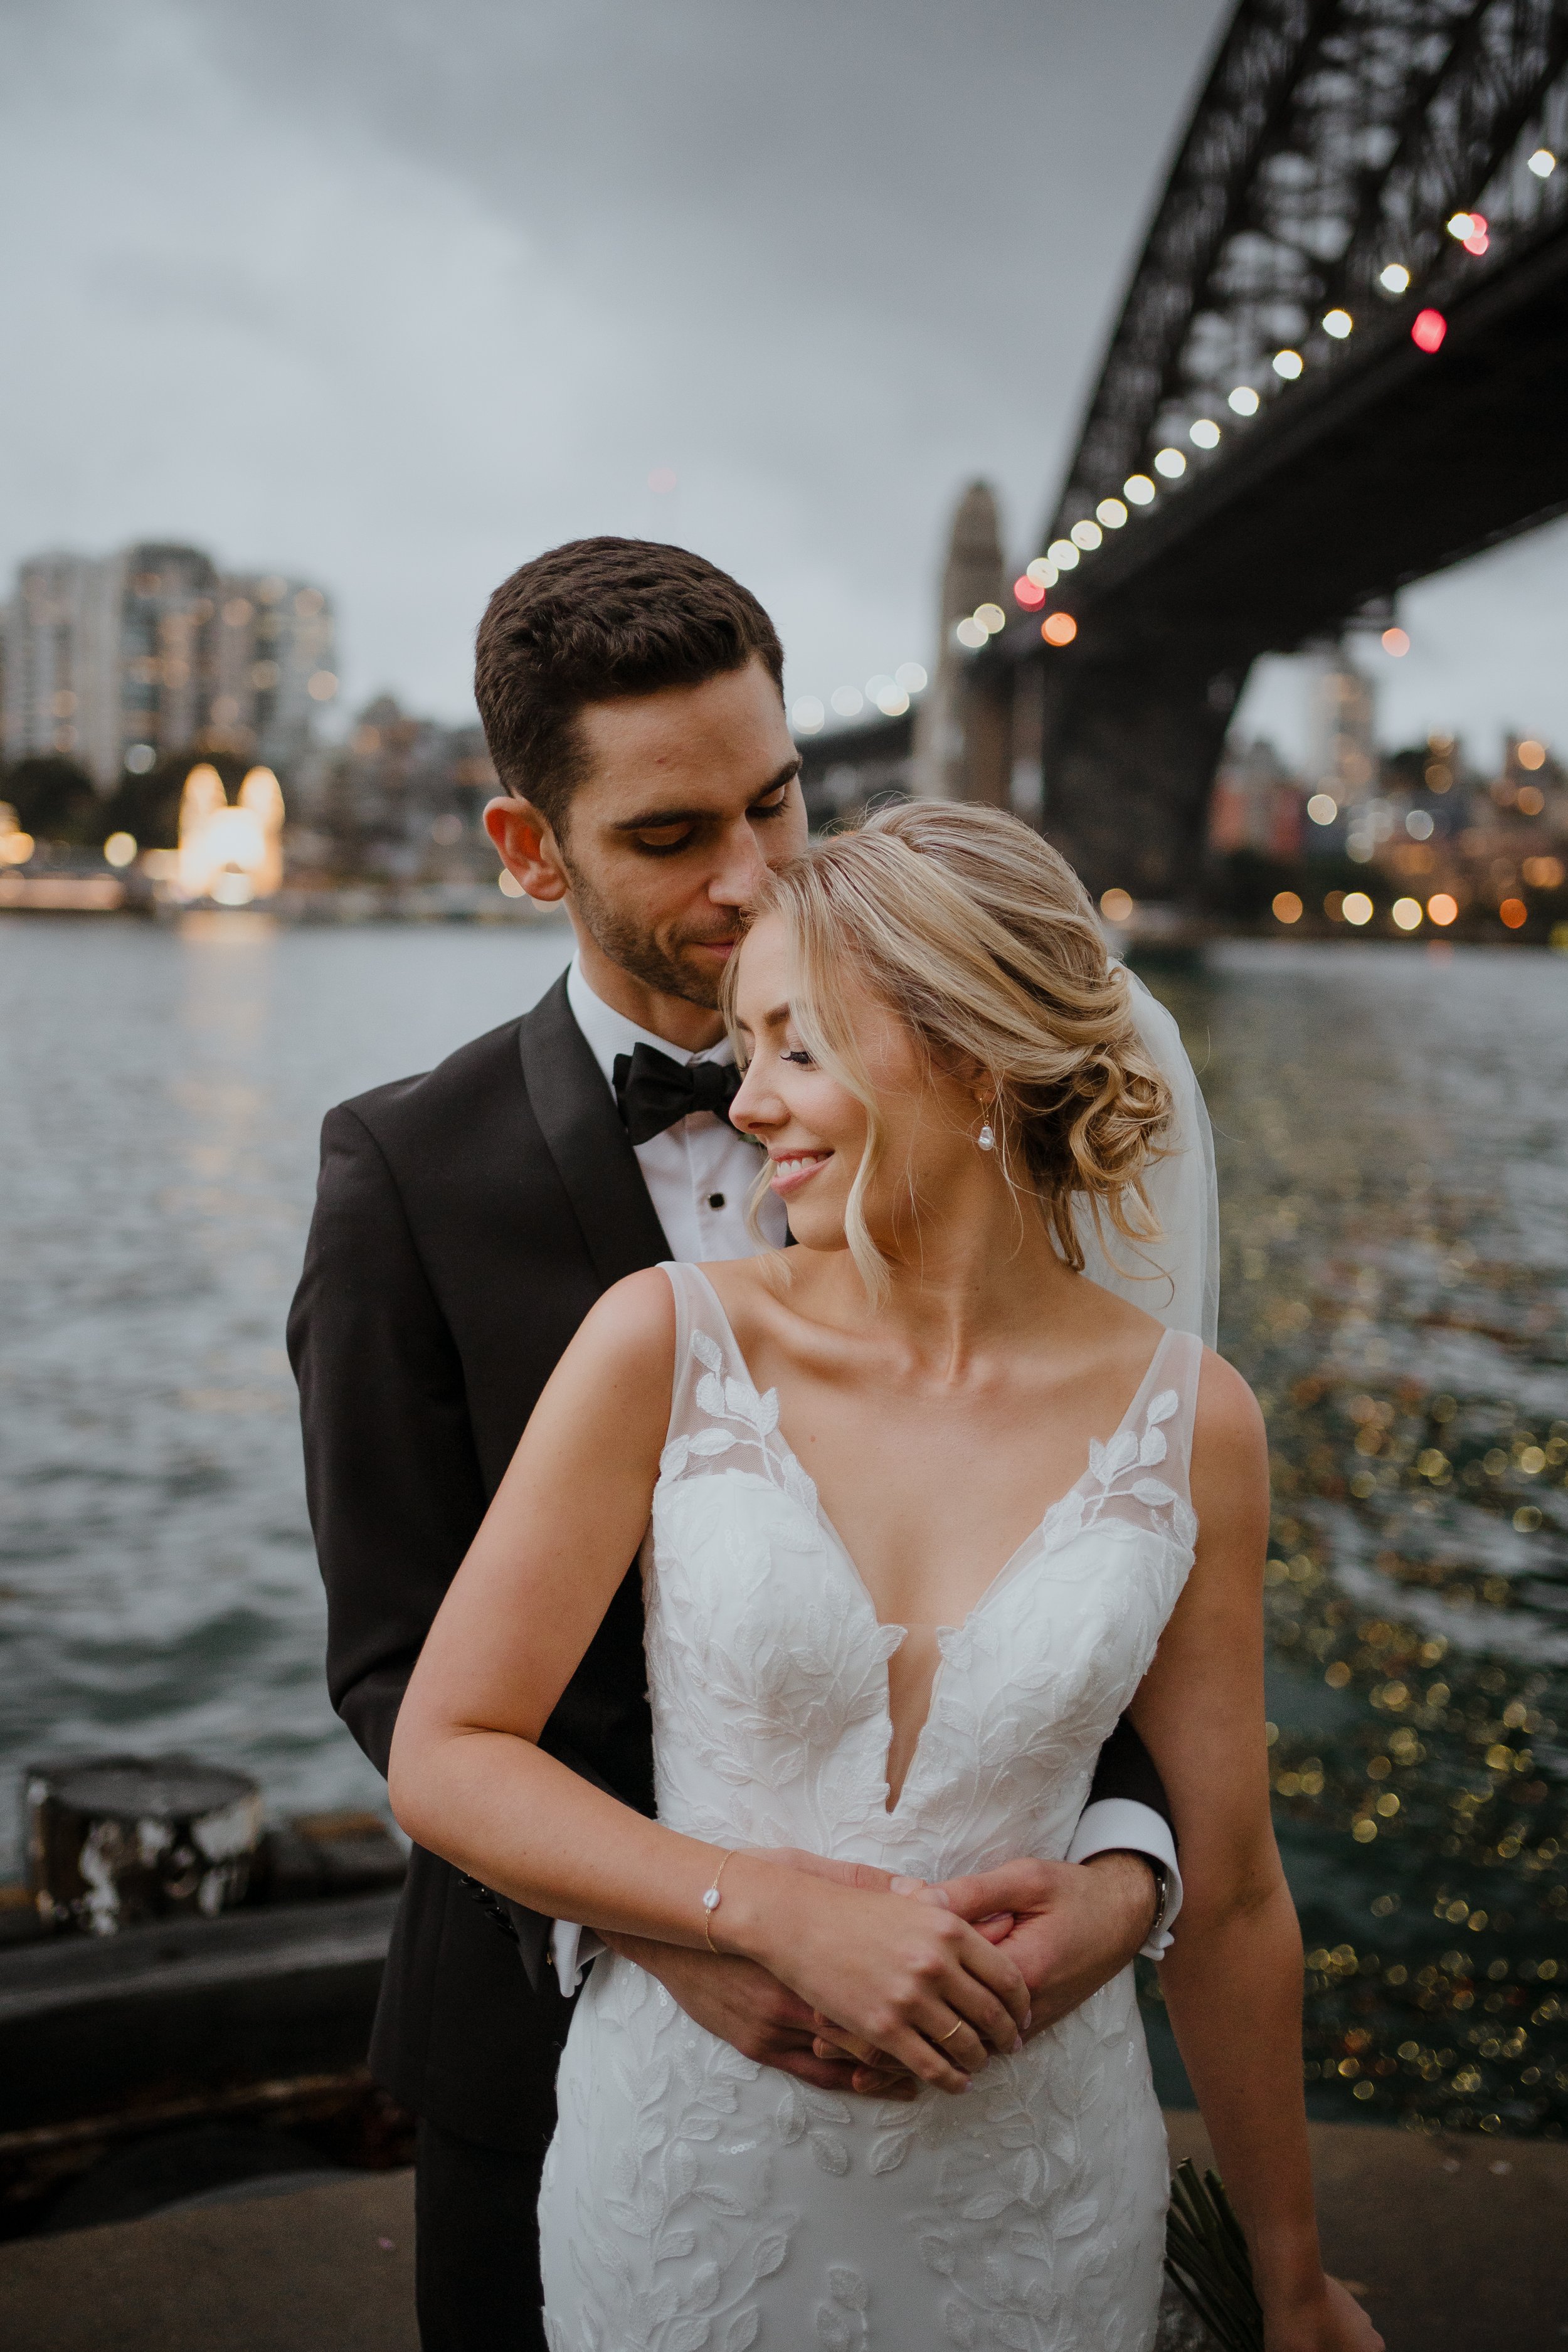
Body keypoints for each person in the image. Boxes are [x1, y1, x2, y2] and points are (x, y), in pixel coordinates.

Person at [290, 541, 1193, 2352]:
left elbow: (1127, 1558)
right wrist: (708, 1926)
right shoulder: (403, 1172)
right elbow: (401, 1670)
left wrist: (1122, 1878)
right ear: (530, 850)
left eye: (776, 801)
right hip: (548, 2052)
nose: (753, 877)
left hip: (976, 2047)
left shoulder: (1012, 1101)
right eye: (668, 833)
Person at [389, 798, 1385, 2352]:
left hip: (1035, 2203)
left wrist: (1292, 2276)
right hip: (692, 2193)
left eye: (795, 1045)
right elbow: (445, 1754)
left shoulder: (1195, 1425)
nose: (748, 1099)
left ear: (972, 1049)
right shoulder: (664, 1343)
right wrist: (759, 1910)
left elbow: (1240, 1891)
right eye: (744, 1044)